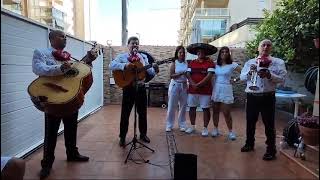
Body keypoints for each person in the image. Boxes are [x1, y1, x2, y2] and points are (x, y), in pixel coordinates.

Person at [32, 30, 98, 178]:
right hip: (53, 98)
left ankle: (72, 154)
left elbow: (75, 74)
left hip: (69, 97)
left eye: (66, 37)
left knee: (71, 128)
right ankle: (47, 164)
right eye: (62, 36)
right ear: (51, 38)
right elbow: (38, 69)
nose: (65, 39)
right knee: (51, 134)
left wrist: (88, 60)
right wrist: (59, 68)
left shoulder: (68, 56)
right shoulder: (41, 52)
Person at [240, 39, 287, 160]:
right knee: (250, 122)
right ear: (258, 48)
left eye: (268, 45)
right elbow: (241, 77)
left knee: (269, 124)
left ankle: (271, 150)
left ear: (271, 48)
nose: (265, 47)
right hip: (252, 97)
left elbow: (282, 79)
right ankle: (249, 144)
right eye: (263, 45)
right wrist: (250, 72)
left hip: (268, 97)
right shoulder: (250, 62)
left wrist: (269, 75)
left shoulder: (278, 62)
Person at [109, 36, 159, 147]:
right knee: (125, 114)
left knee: (142, 113)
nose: (135, 45)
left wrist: (155, 69)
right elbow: (111, 65)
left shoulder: (143, 57)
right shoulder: (122, 57)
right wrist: (125, 65)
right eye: (133, 43)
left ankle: (143, 134)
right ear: (128, 45)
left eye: (137, 43)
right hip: (128, 88)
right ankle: (122, 137)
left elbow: (149, 72)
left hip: (141, 88)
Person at [185, 43, 217, 136]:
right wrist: (192, 84)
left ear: (206, 53)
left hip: (205, 91)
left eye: (202, 51)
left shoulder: (210, 63)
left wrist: (198, 84)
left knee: (205, 109)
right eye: (198, 51)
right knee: (192, 108)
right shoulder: (192, 62)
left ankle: (205, 128)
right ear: (196, 53)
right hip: (192, 90)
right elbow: (188, 74)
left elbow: (209, 75)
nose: (200, 53)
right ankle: (192, 126)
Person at [211, 47, 242, 140]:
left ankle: (231, 131)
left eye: (226, 52)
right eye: (222, 52)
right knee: (215, 111)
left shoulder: (232, 64)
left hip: (226, 89)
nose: (224, 53)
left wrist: (235, 79)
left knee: (226, 112)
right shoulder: (215, 63)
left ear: (229, 53)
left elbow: (244, 72)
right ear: (220, 53)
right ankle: (215, 129)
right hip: (216, 88)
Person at [165, 45, 188, 132]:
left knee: (183, 106)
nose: (182, 54)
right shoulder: (174, 63)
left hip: (184, 85)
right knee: (172, 106)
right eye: (180, 52)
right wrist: (181, 74)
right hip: (175, 85)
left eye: (183, 52)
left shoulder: (186, 63)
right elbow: (171, 76)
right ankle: (169, 125)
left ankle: (182, 124)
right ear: (177, 53)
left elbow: (188, 74)